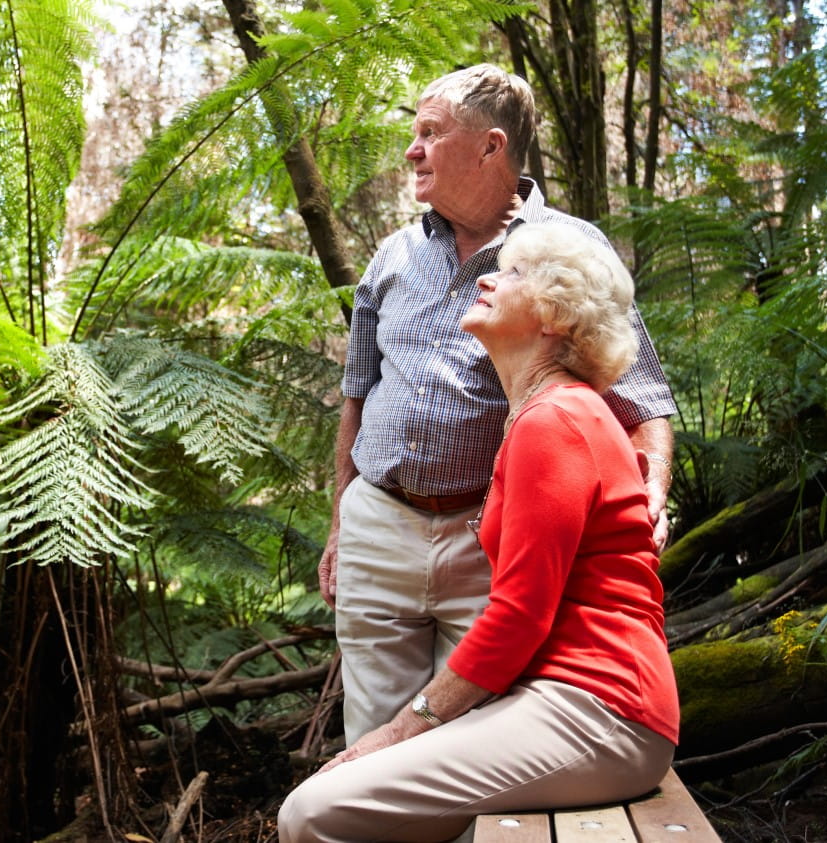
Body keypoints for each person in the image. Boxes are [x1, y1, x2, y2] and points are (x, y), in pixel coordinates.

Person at [279, 221, 680, 841]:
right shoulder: (547, 414)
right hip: (573, 701)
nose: (488, 277)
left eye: (514, 273)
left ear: (554, 313)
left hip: (599, 708)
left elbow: (518, 616)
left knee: (311, 813)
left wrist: (400, 728)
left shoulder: (554, 423)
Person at [322, 63, 677, 745]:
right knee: (372, 740)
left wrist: (651, 493)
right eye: (414, 133)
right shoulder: (393, 255)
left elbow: (644, 399)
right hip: (380, 523)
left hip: (495, 541)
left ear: (491, 146)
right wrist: (342, 522)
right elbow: (357, 395)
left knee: (469, 735)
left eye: (431, 132)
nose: (412, 149)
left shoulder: (569, 251)